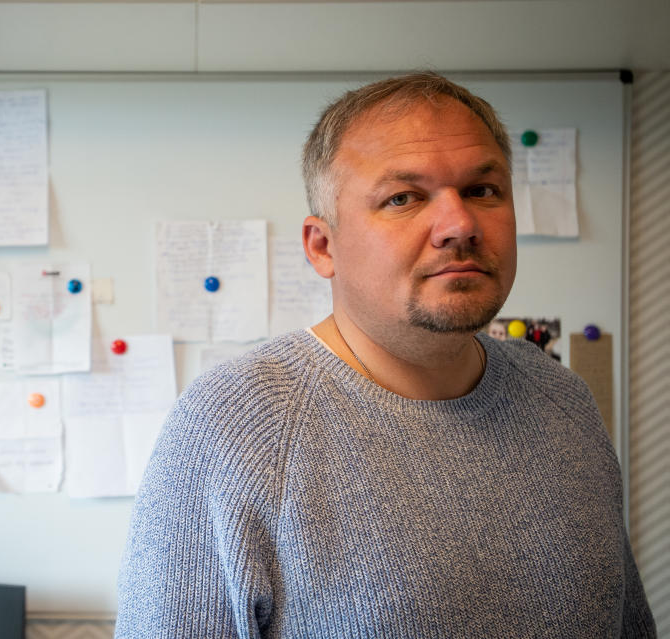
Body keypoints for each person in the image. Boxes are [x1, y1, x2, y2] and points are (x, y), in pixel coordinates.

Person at [115, 72, 655, 638]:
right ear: (322, 246)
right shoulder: (234, 427)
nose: (460, 225)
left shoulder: (563, 400)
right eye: (403, 198)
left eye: (482, 190)